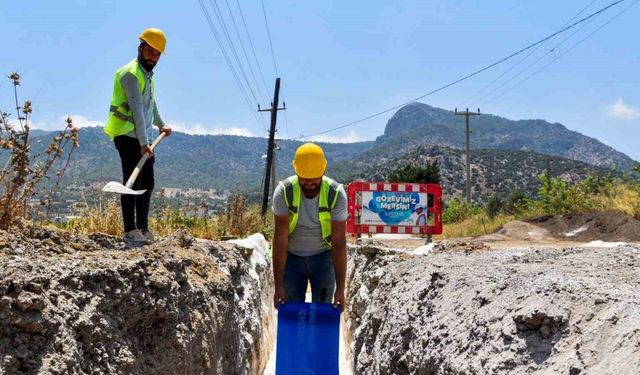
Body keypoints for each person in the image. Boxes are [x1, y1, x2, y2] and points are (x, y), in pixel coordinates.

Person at [103, 28, 172, 244]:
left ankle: (143, 228)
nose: (153, 57)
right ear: (140, 48)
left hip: (143, 138)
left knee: (147, 182)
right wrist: (144, 143)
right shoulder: (130, 74)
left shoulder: (147, 75)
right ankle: (130, 230)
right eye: (150, 51)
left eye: (157, 54)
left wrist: (161, 124)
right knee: (132, 183)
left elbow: (150, 104)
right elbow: (137, 111)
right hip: (127, 135)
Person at [272, 143, 348, 310]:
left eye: (314, 178)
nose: (309, 183)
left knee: (322, 312)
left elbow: (339, 242)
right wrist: (278, 286)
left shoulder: (335, 194)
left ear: (323, 171)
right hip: (291, 258)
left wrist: (341, 289)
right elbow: (280, 240)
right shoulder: (284, 192)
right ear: (296, 171)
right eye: (304, 178)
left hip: (323, 258)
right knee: (291, 311)